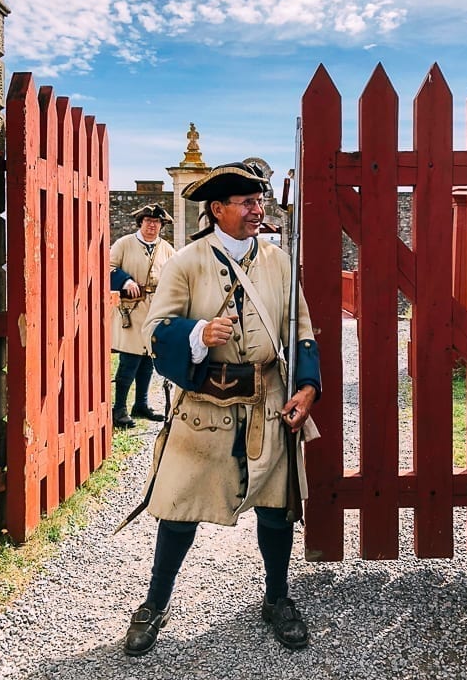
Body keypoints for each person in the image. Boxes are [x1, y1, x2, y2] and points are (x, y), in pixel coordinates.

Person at [122, 162, 321, 656]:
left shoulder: (278, 260)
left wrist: (308, 387)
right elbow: (154, 330)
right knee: (179, 509)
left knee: (277, 508)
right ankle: (154, 603)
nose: (258, 210)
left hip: (268, 402)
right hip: (203, 407)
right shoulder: (186, 261)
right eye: (248, 203)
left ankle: (276, 598)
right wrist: (197, 333)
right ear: (217, 210)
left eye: (260, 201)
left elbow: (302, 331)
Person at [110, 203, 175, 428]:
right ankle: (118, 410)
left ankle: (141, 404)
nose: (151, 225)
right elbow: (107, 267)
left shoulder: (166, 248)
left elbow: (176, 274)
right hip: (131, 309)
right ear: (140, 223)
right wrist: (125, 280)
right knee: (129, 361)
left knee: (148, 359)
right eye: (147, 221)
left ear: (161, 225)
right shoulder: (124, 244)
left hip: (154, 311)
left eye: (156, 222)